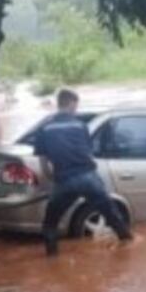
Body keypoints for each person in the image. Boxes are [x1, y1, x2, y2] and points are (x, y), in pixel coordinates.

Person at [34, 89, 134, 256]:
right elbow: (88, 153)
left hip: (64, 180)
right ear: (71, 103)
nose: (76, 109)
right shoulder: (80, 125)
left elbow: (44, 164)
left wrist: (55, 178)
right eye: (76, 105)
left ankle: (52, 260)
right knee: (112, 216)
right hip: (88, 177)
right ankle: (128, 247)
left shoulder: (44, 128)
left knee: (50, 224)